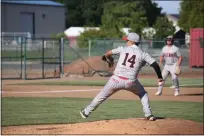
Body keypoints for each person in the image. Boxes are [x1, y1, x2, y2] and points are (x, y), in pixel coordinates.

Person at [80, 32, 163, 121]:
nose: (126, 41)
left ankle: (86, 112)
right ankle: (149, 114)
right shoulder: (143, 54)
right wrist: (160, 77)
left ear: (132, 42)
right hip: (131, 82)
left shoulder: (123, 49)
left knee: (101, 96)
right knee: (143, 94)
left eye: (127, 40)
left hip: (115, 80)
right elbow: (155, 65)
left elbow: (108, 53)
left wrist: (106, 58)